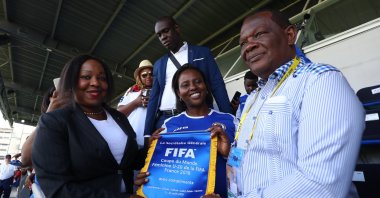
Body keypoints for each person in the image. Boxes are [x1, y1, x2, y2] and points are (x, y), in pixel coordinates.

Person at [213, 10, 364, 197]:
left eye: (258, 34)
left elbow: (321, 185)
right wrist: (230, 156)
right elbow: (257, 156)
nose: (247, 47)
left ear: (290, 35)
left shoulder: (320, 80)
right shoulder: (253, 98)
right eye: (242, 43)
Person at [32, 54, 146, 198]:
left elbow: (131, 160)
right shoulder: (54, 122)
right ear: (71, 81)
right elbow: (58, 189)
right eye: (86, 77)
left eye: (102, 78)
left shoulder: (119, 118)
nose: (95, 83)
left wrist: (156, 145)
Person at [137, 64, 238, 198]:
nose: (193, 87)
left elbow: (246, 163)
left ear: (206, 87)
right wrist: (150, 177)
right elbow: (165, 172)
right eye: (185, 85)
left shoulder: (230, 120)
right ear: (179, 93)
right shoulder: (169, 125)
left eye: (198, 82)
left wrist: (228, 154)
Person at [144, 16, 232, 138]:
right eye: (159, 35)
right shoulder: (159, 64)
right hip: (165, 120)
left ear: (177, 28)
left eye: (165, 31)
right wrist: (147, 133)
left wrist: (228, 119)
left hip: (197, 116)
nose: (163, 37)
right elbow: (154, 98)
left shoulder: (202, 53)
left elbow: (217, 85)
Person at [117, 60, 153, 149]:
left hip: (152, 138)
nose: (148, 77)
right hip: (131, 138)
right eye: (144, 75)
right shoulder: (132, 90)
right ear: (139, 77)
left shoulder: (161, 89)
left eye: (151, 74)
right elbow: (119, 113)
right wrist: (136, 103)